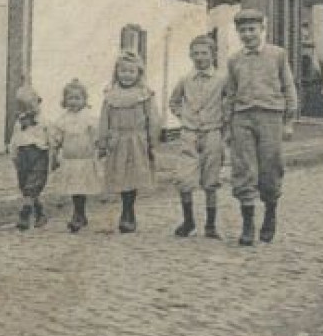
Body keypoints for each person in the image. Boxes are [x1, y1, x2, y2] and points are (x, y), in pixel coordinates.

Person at [223, 9, 299, 246]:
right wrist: (228, 125)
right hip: (242, 118)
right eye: (242, 30)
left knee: (270, 168)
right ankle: (247, 225)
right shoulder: (234, 60)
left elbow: (289, 87)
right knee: (244, 169)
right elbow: (230, 94)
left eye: (252, 29)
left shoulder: (277, 55)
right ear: (237, 33)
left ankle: (270, 213)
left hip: (271, 118)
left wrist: (289, 121)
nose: (247, 35)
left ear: (261, 29)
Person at [168, 34, 229, 239]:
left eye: (204, 53)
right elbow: (174, 102)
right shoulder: (185, 80)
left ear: (213, 55)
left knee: (211, 181)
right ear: (190, 55)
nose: (200, 57)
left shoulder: (222, 79)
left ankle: (210, 225)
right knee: (184, 179)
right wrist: (183, 116)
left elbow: (230, 102)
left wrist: (224, 125)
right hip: (189, 134)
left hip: (212, 133)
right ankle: (188, 221)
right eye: (195, 53)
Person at [100, 50, 162, 233]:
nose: (126, 75)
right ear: (116, 72)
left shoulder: (144, 94)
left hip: (137, 140)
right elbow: (104, 118)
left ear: (138, 73)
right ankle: (124, 208)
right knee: (120, 174)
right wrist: (103, 141)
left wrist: (152, 141)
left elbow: (154, 119)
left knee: (133, 175)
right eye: (123, 71)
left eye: (131, 71)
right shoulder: (111, 94)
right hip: (117, 139)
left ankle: (128, 211)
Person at [49, 79, 102, 233]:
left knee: (81, 187)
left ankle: (78, 215)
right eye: (70, 98)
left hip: (84, 159)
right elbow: (57, 136)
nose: (73, 102)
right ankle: (80, 214)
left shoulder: (89, 118)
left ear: (84, 100)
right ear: (64, 101)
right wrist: (54, 150)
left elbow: (95, 135)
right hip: (70, 159)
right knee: (74, 188)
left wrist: (100, 147)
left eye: (77, 98)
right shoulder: (63, 119)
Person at [9, 85, 50, 230]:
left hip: (39, 155)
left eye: (32, 106)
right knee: (25, 186)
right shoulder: (19, 123)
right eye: (24, 108)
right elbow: (15, 140)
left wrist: (55, 156)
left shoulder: (44, 122)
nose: (29, 111)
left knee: (32, 185)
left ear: (38, 102)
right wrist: (14, 156)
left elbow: (50, 139)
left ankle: (24, 215)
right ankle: (40, 213)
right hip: (23, 157)